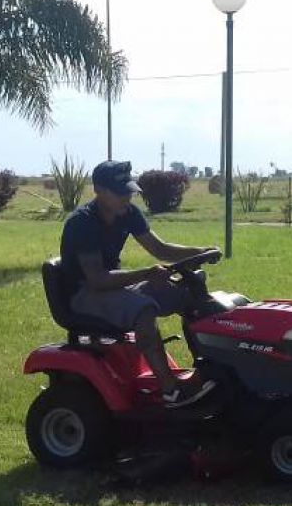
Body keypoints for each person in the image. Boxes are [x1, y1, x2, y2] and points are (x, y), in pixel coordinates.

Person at [60, 160, 220, 408]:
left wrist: (201, 251)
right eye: (120, 192)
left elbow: (159, 248)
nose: (127, 197)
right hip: (84, 293)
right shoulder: (82, 223)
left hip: (113, 285)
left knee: (188, 297)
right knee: (143, 309)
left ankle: (209, 372)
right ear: (99, 191)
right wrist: (145, 274)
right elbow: (97, 279)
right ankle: (171, 392)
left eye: (129, 191)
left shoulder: (128, 213)